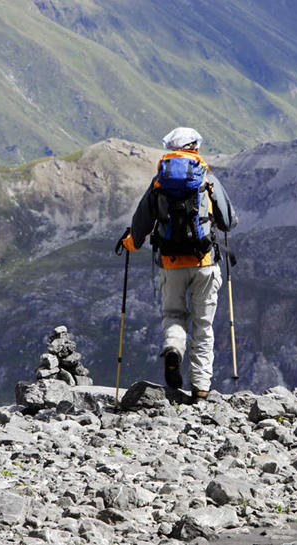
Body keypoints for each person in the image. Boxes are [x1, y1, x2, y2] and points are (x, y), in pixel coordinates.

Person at [117, 127, 238, 401]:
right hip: (204, 261)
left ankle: (173, 349)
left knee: (173, 315)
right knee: (203, 326)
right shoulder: (206, 178)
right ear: (194, 147)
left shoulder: (160, 181)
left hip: (170, 263)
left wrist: (130, 243)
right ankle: (201, 389)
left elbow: (141, 225)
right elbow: (229, 221)